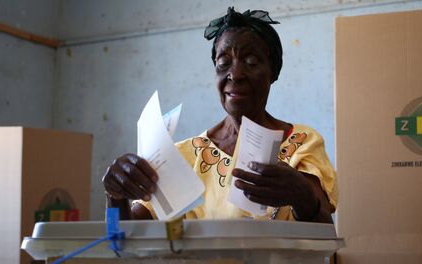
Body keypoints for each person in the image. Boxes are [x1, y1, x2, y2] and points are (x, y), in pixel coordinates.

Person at [102, 7, 338, 223]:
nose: (235, 74)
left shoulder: (301, 143)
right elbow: (126, 239)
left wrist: (303, 196)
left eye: (251, 61)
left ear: (273, 72)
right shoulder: (182, 156)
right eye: (224, 62)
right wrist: (115, 195)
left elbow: (325, 232)